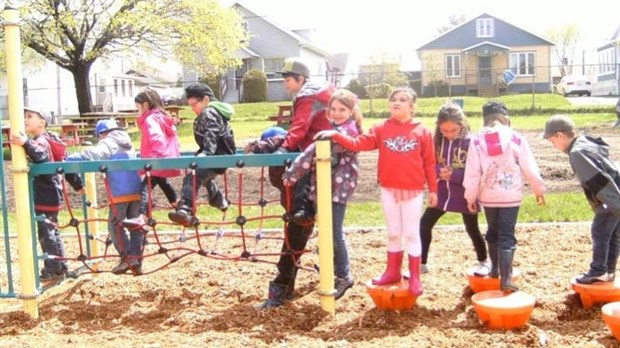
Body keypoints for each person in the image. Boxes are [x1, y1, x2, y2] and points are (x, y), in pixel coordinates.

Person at [317, 87, 438, 296]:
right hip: (388, 189)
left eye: (402, 100)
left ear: (412, 106)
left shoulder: (422, 131)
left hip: (412, 190)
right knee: (393, 233)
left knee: (410, 233)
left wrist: (434, 190)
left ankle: (415, 277)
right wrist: (336, 135)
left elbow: (429, 162)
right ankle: (392, 271)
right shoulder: (381, 128)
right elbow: (358, 144)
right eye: (393, 99)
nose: (396, 103)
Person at [258, 57, 334, 308]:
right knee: (322, 225)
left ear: (301, 79)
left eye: (288, 79)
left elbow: (298, 131)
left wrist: (280, 149)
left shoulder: (308, 98)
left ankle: (283, 285)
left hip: (314, 165)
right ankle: (330, 269)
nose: (285, 83)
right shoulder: (325, 94)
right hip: (329, 163)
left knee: (298, 224)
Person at [282, 89, 362, 300]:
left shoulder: (347, 131)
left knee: (334, 230)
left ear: (352, 112)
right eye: (333, 109)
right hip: (326, 186)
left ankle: (344, 274)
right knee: (326, 229)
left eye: (342, 109)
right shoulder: (335, 128)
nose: (336, 113)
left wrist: (292, 173)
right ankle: (332, 266)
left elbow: (313, 151)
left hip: (338, 187)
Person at [463, 100, 546, 293]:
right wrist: (538, 188)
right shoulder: (516, 138)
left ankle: (494, 269)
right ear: (505, 118)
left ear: (485, 119)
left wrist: (470, 197)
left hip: (489, 196)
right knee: (507, 235)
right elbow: (529, 166)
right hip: (510, 197)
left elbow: (473, 172)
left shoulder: (476, 140)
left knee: (492, 231)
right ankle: (506, 278)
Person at [544, 115, 620, 284]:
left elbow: (598, 181)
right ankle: (608, 271)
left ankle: (598, 271)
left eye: (552, 141)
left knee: (600, 232)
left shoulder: (577, 153)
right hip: (616, 192)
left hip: (611, 198)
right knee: (612, 234)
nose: (554, 146)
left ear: (560, 135)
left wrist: (615, 205)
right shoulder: (584, 142)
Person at [10, 106, 83, 280]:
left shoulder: (41, 141)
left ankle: (51, 267)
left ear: (42, 122)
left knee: (46, 232)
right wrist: (77, 184)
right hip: (52, 191)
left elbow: (41, 156)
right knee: (52, 230)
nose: (25, 120)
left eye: (30, 116)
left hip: (45, 191)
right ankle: (60, 264)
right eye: (25, 116)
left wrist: (25, 143)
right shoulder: (51, 139)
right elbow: (64, 162)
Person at [66, 120, 143, 274]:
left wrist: (69, 158)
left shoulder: (108, 142)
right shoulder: (127, 141)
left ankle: (127, 258)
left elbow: (94, 154)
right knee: (135, 226)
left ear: (103, 133)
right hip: (136, 189)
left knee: (115, 226)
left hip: (119, 191)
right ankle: (137, 259)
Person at [420, 103, 488, 276]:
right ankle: (421, 264)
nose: (449, 134)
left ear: (462, 124)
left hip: (466, 194)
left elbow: (476, 171)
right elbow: (428, 163)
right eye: (445, 130)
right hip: (442, 194)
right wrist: (438, 172)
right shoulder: (436, 141)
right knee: (424, 224)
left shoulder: (471, 142)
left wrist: (454, 175)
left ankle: (483, 261)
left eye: (453, 130)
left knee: (472, 228)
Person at [167, 83, 235, 226]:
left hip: (218, 157)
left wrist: (207, 153)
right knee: (204, 177)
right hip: (222, 155)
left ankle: (185, 208)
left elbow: (212, 131)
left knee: (192, 177)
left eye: (194, 105)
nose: (192, 109)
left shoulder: (209, 112)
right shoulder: (214, 111)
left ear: (205, 100)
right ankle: (218, 199)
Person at [122, 88, 181, 229]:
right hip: (166, 158)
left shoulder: (150, 119)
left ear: (146, 105)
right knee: (162, 182)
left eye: (138, 108)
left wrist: (153, 159)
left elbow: (157, 138)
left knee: (145, 187)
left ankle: (143, 216)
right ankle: (179, 206)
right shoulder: (164, 118)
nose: (138, 111)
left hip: (156, 159)